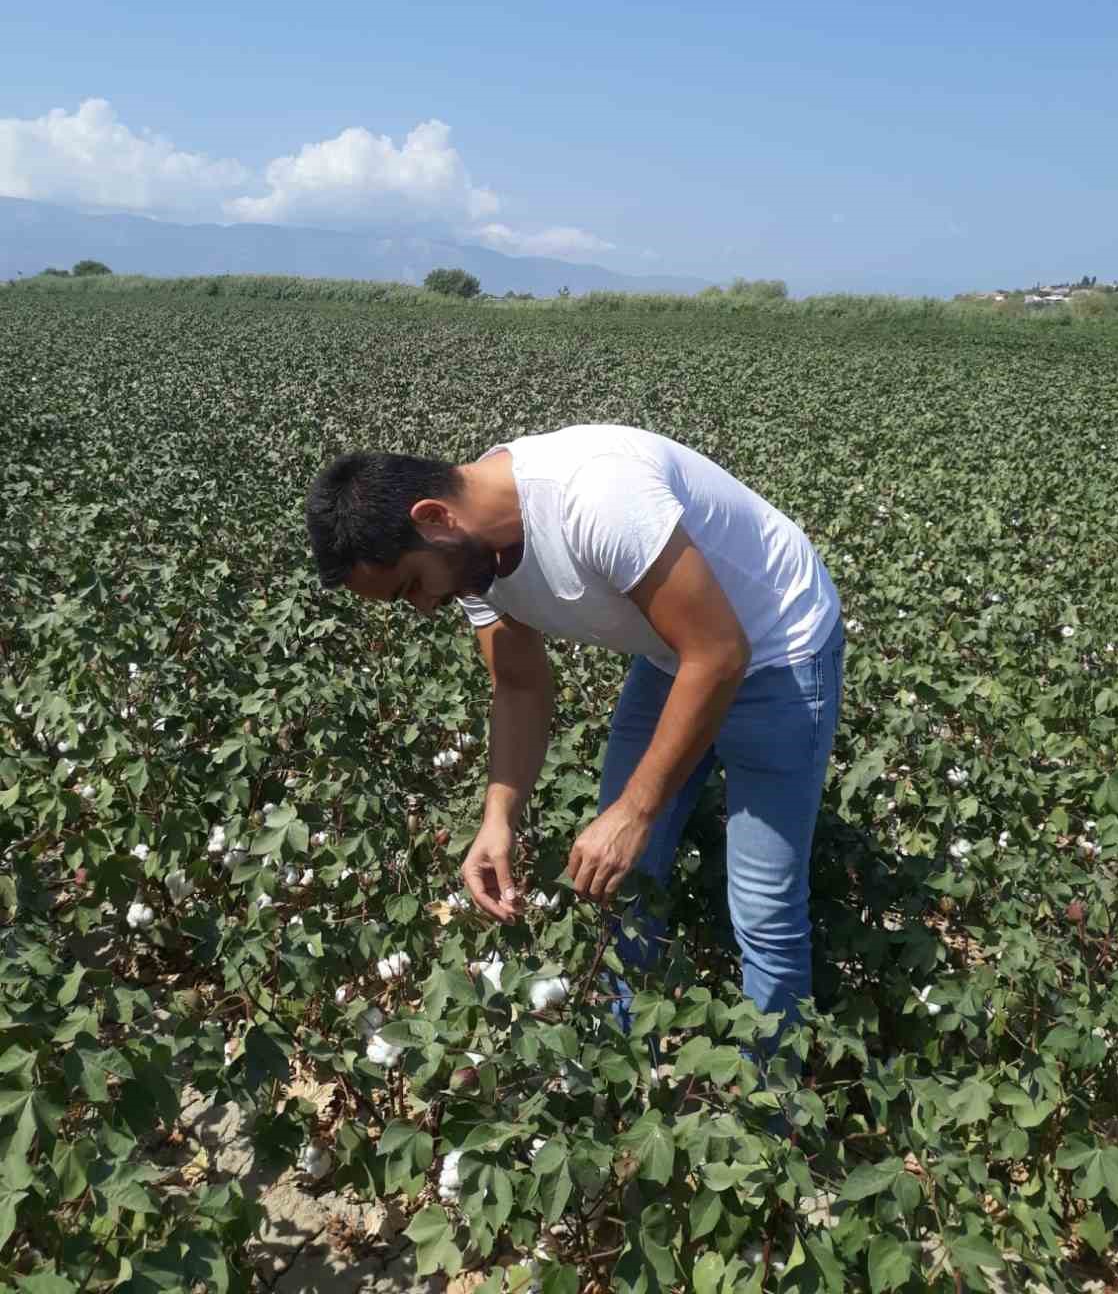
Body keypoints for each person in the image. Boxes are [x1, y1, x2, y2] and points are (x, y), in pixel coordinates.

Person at [304, 424, 843, 1046]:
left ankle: (770, 1110)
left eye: (411, 587)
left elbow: (720, 654)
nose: (426, 607)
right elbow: (519, 686)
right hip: (677, 650)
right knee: (620, 878)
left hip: (779, 648)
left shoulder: (597, 496)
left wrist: (636, 811)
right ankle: (626, 1065)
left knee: (764, 910)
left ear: (433, 518)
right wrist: (498, 816)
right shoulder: (473, 554)